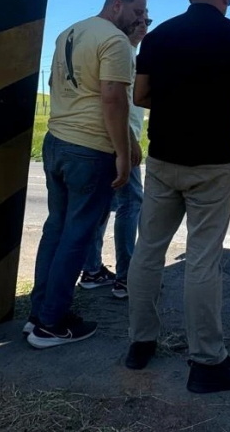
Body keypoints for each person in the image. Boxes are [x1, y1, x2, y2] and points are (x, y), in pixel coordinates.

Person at [124, 0, 230, 394]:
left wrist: (176, 97)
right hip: (213, 164)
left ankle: (140, 344)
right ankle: (207, 361)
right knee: (204, 259)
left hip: (164, 160)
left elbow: (140, 95)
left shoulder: (159, 36)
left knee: (148, 250)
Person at [25, 0, 148, 349]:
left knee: (56, 231)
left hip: (57, 142)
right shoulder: (115, 41)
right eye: (137, 12)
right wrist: (124, 151)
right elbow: (113, 98)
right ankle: (52, 323)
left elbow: (55, 84)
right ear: (117, 5)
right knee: (77, 237)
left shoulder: (70, 32)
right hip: (90, 150)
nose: (141, 20)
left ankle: (38, 314)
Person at [77, 18, 151, 299]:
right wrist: (129, 142)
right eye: (139, 19)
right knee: (131, 204)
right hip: (120, 140)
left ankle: (92, 270)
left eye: (149, 20)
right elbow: (113, 100)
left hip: (105, 140)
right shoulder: (121, 51)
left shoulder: (123, 52)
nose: (144, 25)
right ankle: (126, 277)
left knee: (102, 205)